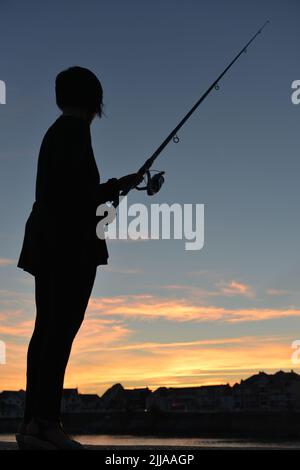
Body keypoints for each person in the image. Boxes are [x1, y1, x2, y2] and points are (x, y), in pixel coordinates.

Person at [16, 66, 142, 450]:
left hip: (47, 240)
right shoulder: (73, 132)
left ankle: (33, 425)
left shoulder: (57, 131)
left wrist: (113, 188)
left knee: (46, 332)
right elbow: (78, 196)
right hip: (68, 246)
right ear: (94, 100)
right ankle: (46, 424)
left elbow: (68, 192)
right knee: (59, 333)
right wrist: (118, 186)